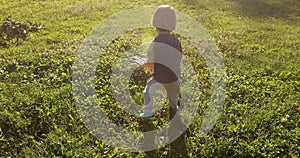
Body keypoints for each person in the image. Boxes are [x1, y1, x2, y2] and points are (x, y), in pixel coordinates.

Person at [140, 5, 182, 122]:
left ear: (155, 22)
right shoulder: (176, 40)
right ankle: (174, 108)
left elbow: (152, 63)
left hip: (160, 78)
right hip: (174, 78)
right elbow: (179, 56)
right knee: (173, 96)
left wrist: (146, 65)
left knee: (148, 90)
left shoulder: (155, 43)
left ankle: (147, 113)